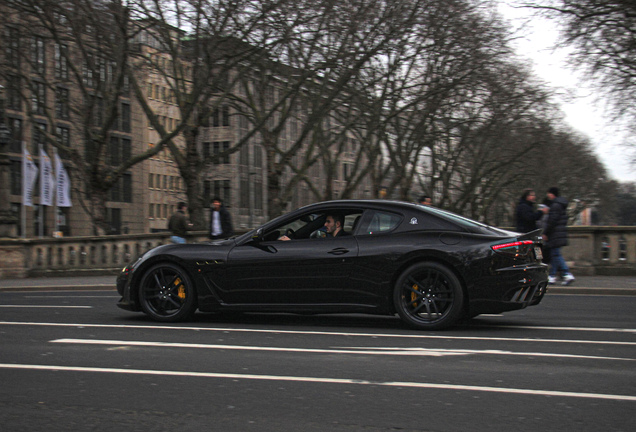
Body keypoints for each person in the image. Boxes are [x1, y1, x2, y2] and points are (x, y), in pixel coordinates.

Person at [542, 187, 575, 285]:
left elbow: (552, 221)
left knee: (556, 254)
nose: (548, 196)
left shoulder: (555, 205)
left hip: (555, 234)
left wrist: (546, 233)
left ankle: (566, 273)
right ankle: (552, 276)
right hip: (559, 233)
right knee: (554, 255)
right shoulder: (560, 205)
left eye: (548, 194)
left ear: (552, 194)